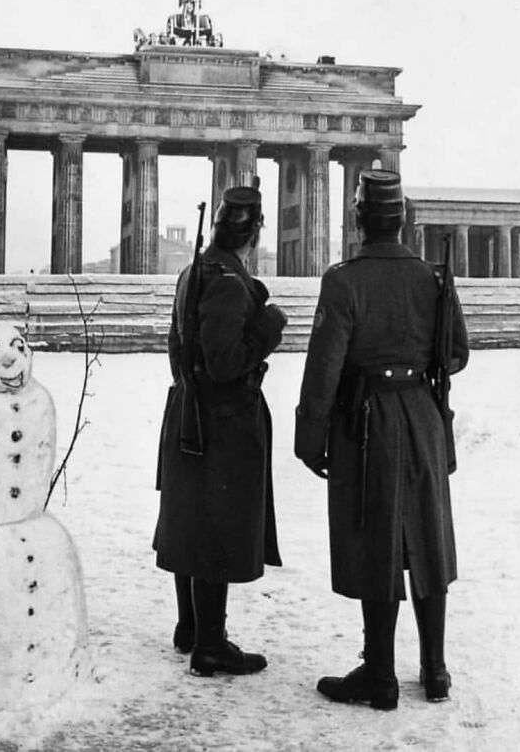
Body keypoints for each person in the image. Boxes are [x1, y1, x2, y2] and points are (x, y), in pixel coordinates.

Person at [294, 169, 469, 710]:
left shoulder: (344, 280)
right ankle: (434, 670)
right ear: (403, 221)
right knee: (427, 538)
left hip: (366, 422)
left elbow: (325, 368)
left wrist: (311, 436)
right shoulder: (432, 278)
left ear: (358, 220)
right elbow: (457, 353)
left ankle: (380, 674)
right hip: (423, 418)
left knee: (376, 540)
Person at [153, 185, 288, 677]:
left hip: (189, 410)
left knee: (190, 516)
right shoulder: (229, 280)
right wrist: (269, 327)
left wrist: (187, 388)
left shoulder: (194, 272)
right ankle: (211, 644)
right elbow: (227, 360)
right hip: (223, 420)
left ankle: (190, 626)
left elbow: (176, 344)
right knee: (215, 525)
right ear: (254, 231)